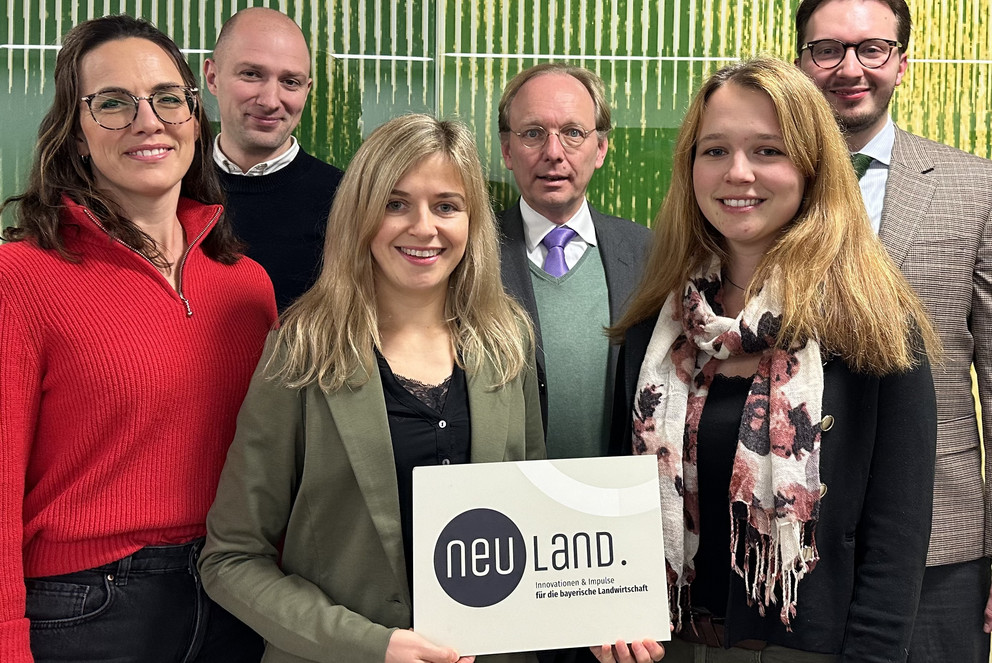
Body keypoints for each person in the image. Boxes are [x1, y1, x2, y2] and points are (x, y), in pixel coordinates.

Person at [609, 58, 938, 662]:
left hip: (812, 649)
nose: (738, 173)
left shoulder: (875, 329)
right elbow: (611, 505)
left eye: (768, 150)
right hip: (664, 646)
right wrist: (607, 613)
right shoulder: (654, 329)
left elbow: (896, 543)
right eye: (714, 151)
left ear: (814, 168)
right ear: (689, 169)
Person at [198, 114, 544, 663]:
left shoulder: (507, 348)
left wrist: (601, 613)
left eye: (447, 206)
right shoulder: (302, 352)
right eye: (396, 203)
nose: (424, 227)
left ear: (472, 223)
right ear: (361, 215)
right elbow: (231, 561)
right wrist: (370, 646)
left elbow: (531, 540)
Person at [0, 15, 276, 663]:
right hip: (86, 614)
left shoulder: (247, 286)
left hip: (234, 597)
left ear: (194, 115)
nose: (148, 121)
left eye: (167, 98)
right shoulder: (20, 277)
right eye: (113, 104)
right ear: (74, 133)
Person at [793, 1, 992, 659]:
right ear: (801, 62)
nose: (850, 68)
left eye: (872, 48)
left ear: (902, 63)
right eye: (828, 50)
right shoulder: (753, 185)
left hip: (943, 541)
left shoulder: (976, 187)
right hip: (789, 537)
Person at [497, 63, 651, 462]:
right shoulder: (471, 255)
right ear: (506, 150)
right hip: (509, 506)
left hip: (617, 505)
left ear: (599, 149)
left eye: (573, 133)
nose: (553, 152)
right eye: (533, 133)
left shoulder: (646, 255)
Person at [204, 6, 344, 311]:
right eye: (252, 74)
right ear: (212, 77)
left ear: (306, 91)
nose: (270, 100)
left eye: (290, 82)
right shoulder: (171, 188)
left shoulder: (346, 199)